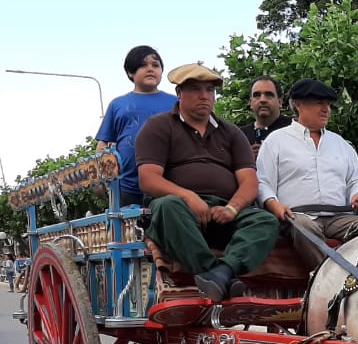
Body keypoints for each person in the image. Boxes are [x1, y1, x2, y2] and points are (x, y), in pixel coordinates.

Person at [135, 62, 279, 301]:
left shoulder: (231, 132)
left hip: (222, 213)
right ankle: (213, 270)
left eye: (210, 90)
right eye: (195, 89)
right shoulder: (159, 126)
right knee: (166, 206)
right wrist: (188, 196)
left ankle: (223, 271)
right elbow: (148, 179)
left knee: (265, 220)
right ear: (179, 93)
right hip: (180, 214)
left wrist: (232, 208)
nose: (204, 96)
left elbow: (249, 182)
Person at [257, 78, 358, 271]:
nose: (326, 109)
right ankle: (331, 279)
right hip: (298, 216)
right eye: (319, 103)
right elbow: (263, 182)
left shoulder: (341, 144)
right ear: (298, 105)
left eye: (328, 104)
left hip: (339, 217)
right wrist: (274, 204)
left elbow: (356, 180)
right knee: (303, 226)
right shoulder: (276, 141)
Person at [96, 45, 179, 207]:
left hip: (168, 184)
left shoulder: (176, 103)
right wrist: (100, 179)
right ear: (130, 72)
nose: (150, 69)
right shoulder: (117, 105)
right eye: (143, 65)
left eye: (155, 65)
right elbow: (103, 144)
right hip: (125, 187)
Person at [236, 76, 291, 158]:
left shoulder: (295, 129)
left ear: (280, 102)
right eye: (257, 95)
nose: (262, 100)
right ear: (250, 102)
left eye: (269, 95)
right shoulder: (240, 136)